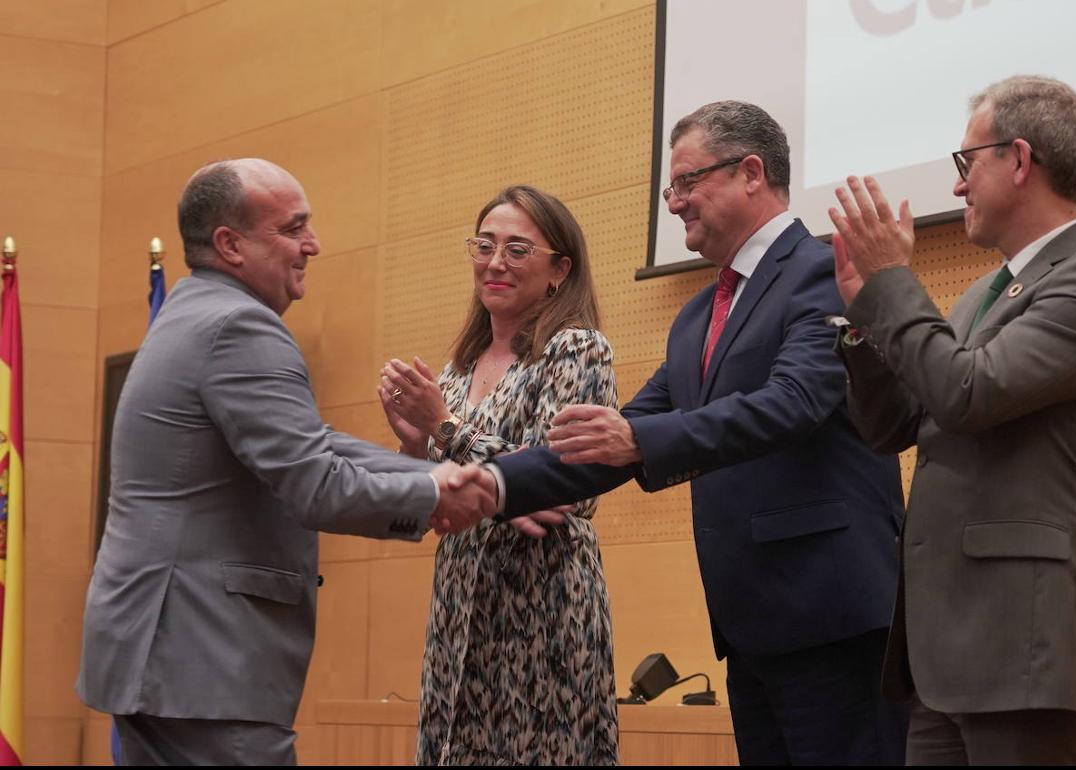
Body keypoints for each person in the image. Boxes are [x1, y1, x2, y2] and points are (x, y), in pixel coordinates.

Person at [487, 102, 909, 765]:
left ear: (750, 172)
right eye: (670, 190)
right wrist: (482, 482)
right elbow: (616, 436)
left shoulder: (826, 270)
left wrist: (639, 442)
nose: (675, 202)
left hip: (834, 618)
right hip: (750, 628)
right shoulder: (693, 319)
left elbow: (793, 403)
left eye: (687, 182)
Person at [76, 158, 497, 766]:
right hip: (203, 659)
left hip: (167, 653)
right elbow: (314, 483)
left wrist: (444, 475)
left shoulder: (194, 311)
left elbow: (310, 441)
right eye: (293, 228)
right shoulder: (239, 326)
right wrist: (438, 494)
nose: (313, 245)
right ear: (231, 244)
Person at [827, 75, 1076, 765]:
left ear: (1020, 160)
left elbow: (966, 394)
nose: (958, 187)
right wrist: (865, 317)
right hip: (943, 659)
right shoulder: (985, 292)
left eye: (966, 163)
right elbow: (897, 426)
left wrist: (892, 286)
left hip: (1025, 651)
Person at [377, 185, 619, 765]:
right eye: (484, 246)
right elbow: (442, 508)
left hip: (543, 614)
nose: (494, 262)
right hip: (459, 615)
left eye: (516, 249)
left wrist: (444, 427)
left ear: (560, 270)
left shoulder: (576, 350)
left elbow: (570, 490)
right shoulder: (455, 373)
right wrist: (412, 450)